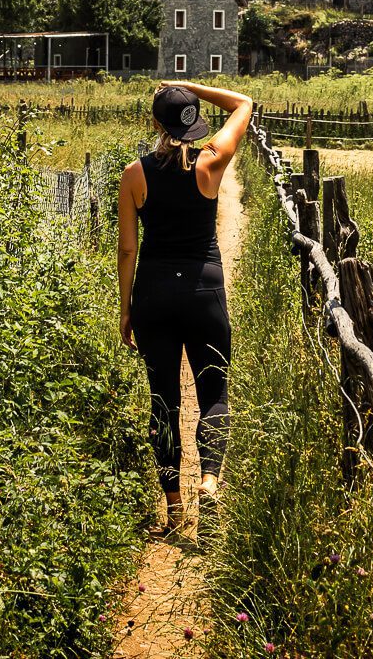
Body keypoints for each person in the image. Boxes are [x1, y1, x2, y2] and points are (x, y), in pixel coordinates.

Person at [118, 78, 253, 535]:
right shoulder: (211, 161)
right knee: (214, 393)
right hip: (204, 291)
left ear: (155, 122)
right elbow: (243, 103)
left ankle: (174, 508)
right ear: (194, 120)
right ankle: (210, 481)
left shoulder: (134, 175)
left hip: (154, 294)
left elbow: (126, 251)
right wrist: (191, 86)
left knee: (164, 400)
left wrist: (126, 308)